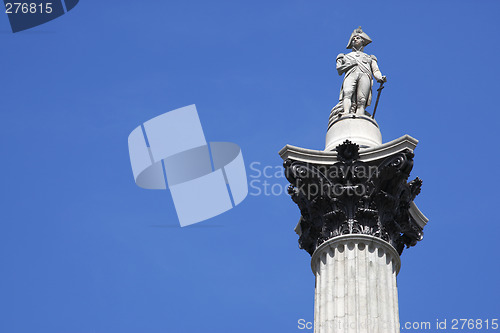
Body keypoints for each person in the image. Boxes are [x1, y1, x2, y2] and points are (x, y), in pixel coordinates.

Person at [335, 27, 386, 117]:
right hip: (351, 74)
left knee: (362, 99)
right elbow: (339, 70)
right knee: (347, 93)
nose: (355, 40)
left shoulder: (370, 57)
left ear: (363, 41)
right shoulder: (344, 56)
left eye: (357, 38)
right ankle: (346, 112)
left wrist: (380, 78)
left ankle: (360, 115)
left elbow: (376, 70)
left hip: (365, 75)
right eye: (353, 39)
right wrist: (350, 64)